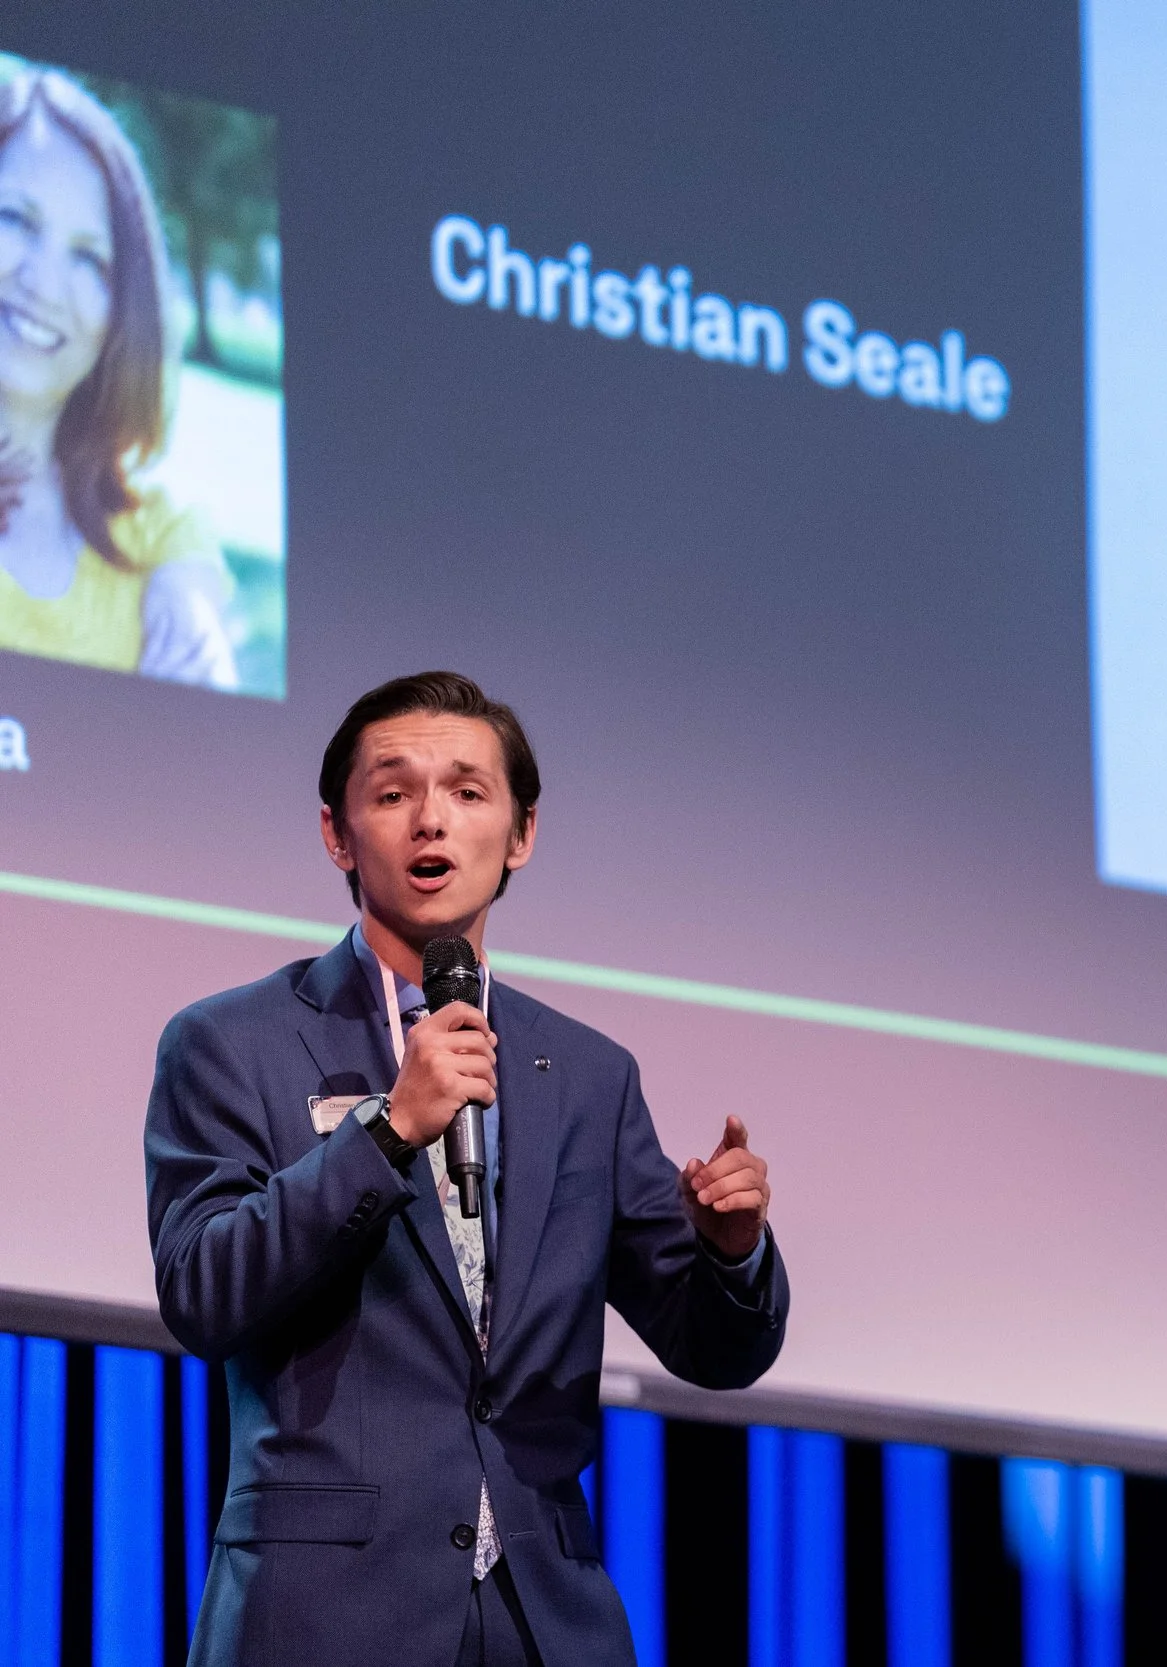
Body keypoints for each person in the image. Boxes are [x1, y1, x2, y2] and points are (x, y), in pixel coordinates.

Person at [145, 671, 789, 1664]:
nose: (430, 819)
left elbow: (714, 1347)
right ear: (337, 833)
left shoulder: (586, 1073)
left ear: (521, 834)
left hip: (545, 1622)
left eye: (468, 791)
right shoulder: (234, 1041)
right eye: (394, 792)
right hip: (323, 1617)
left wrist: (732, 1250)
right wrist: (390, 1128)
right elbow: (206, 1289)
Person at [0, 63, 236, 688]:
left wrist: (186, 590)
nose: (43, 284)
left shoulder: (153, 540)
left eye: (89, 258)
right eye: (15, 219)